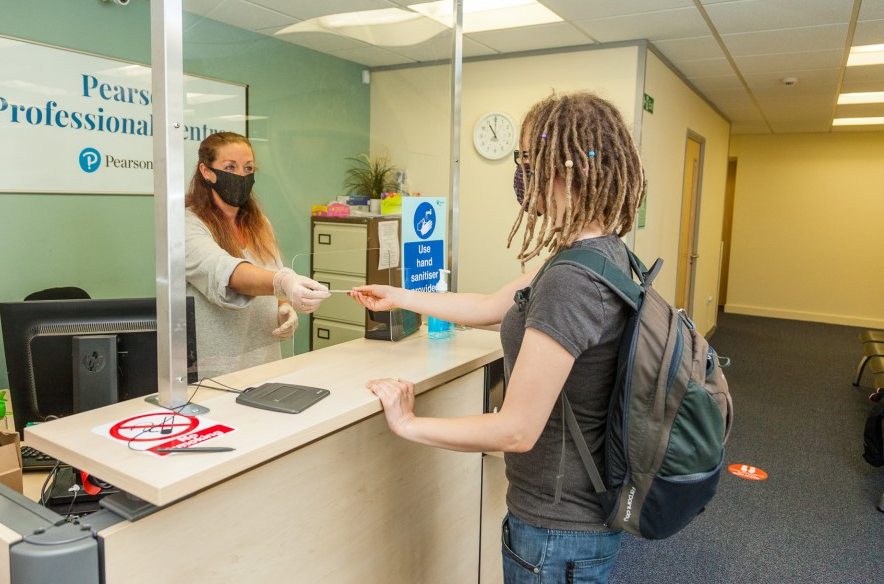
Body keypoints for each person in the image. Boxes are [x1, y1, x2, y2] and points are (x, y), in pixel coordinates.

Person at [351, 93, 646, 583]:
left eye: (527, 159)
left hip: (558, 529)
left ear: (560, 168)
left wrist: (410, 424)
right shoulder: (601, 254)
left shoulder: (571, 281)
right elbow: (491, 307)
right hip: (580, 514)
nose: (520, 172)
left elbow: (515, 430)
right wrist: (399, 296)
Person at [185, 132, 330, 379]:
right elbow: (226, 272)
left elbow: (272, 272)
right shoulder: (187, 224)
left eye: (248, 168)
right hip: (216, 373)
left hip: (266, 365)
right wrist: (282, 283)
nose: (241, 176)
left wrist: (284, 306)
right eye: (230, 167)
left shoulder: (259, 223)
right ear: (206, 171)